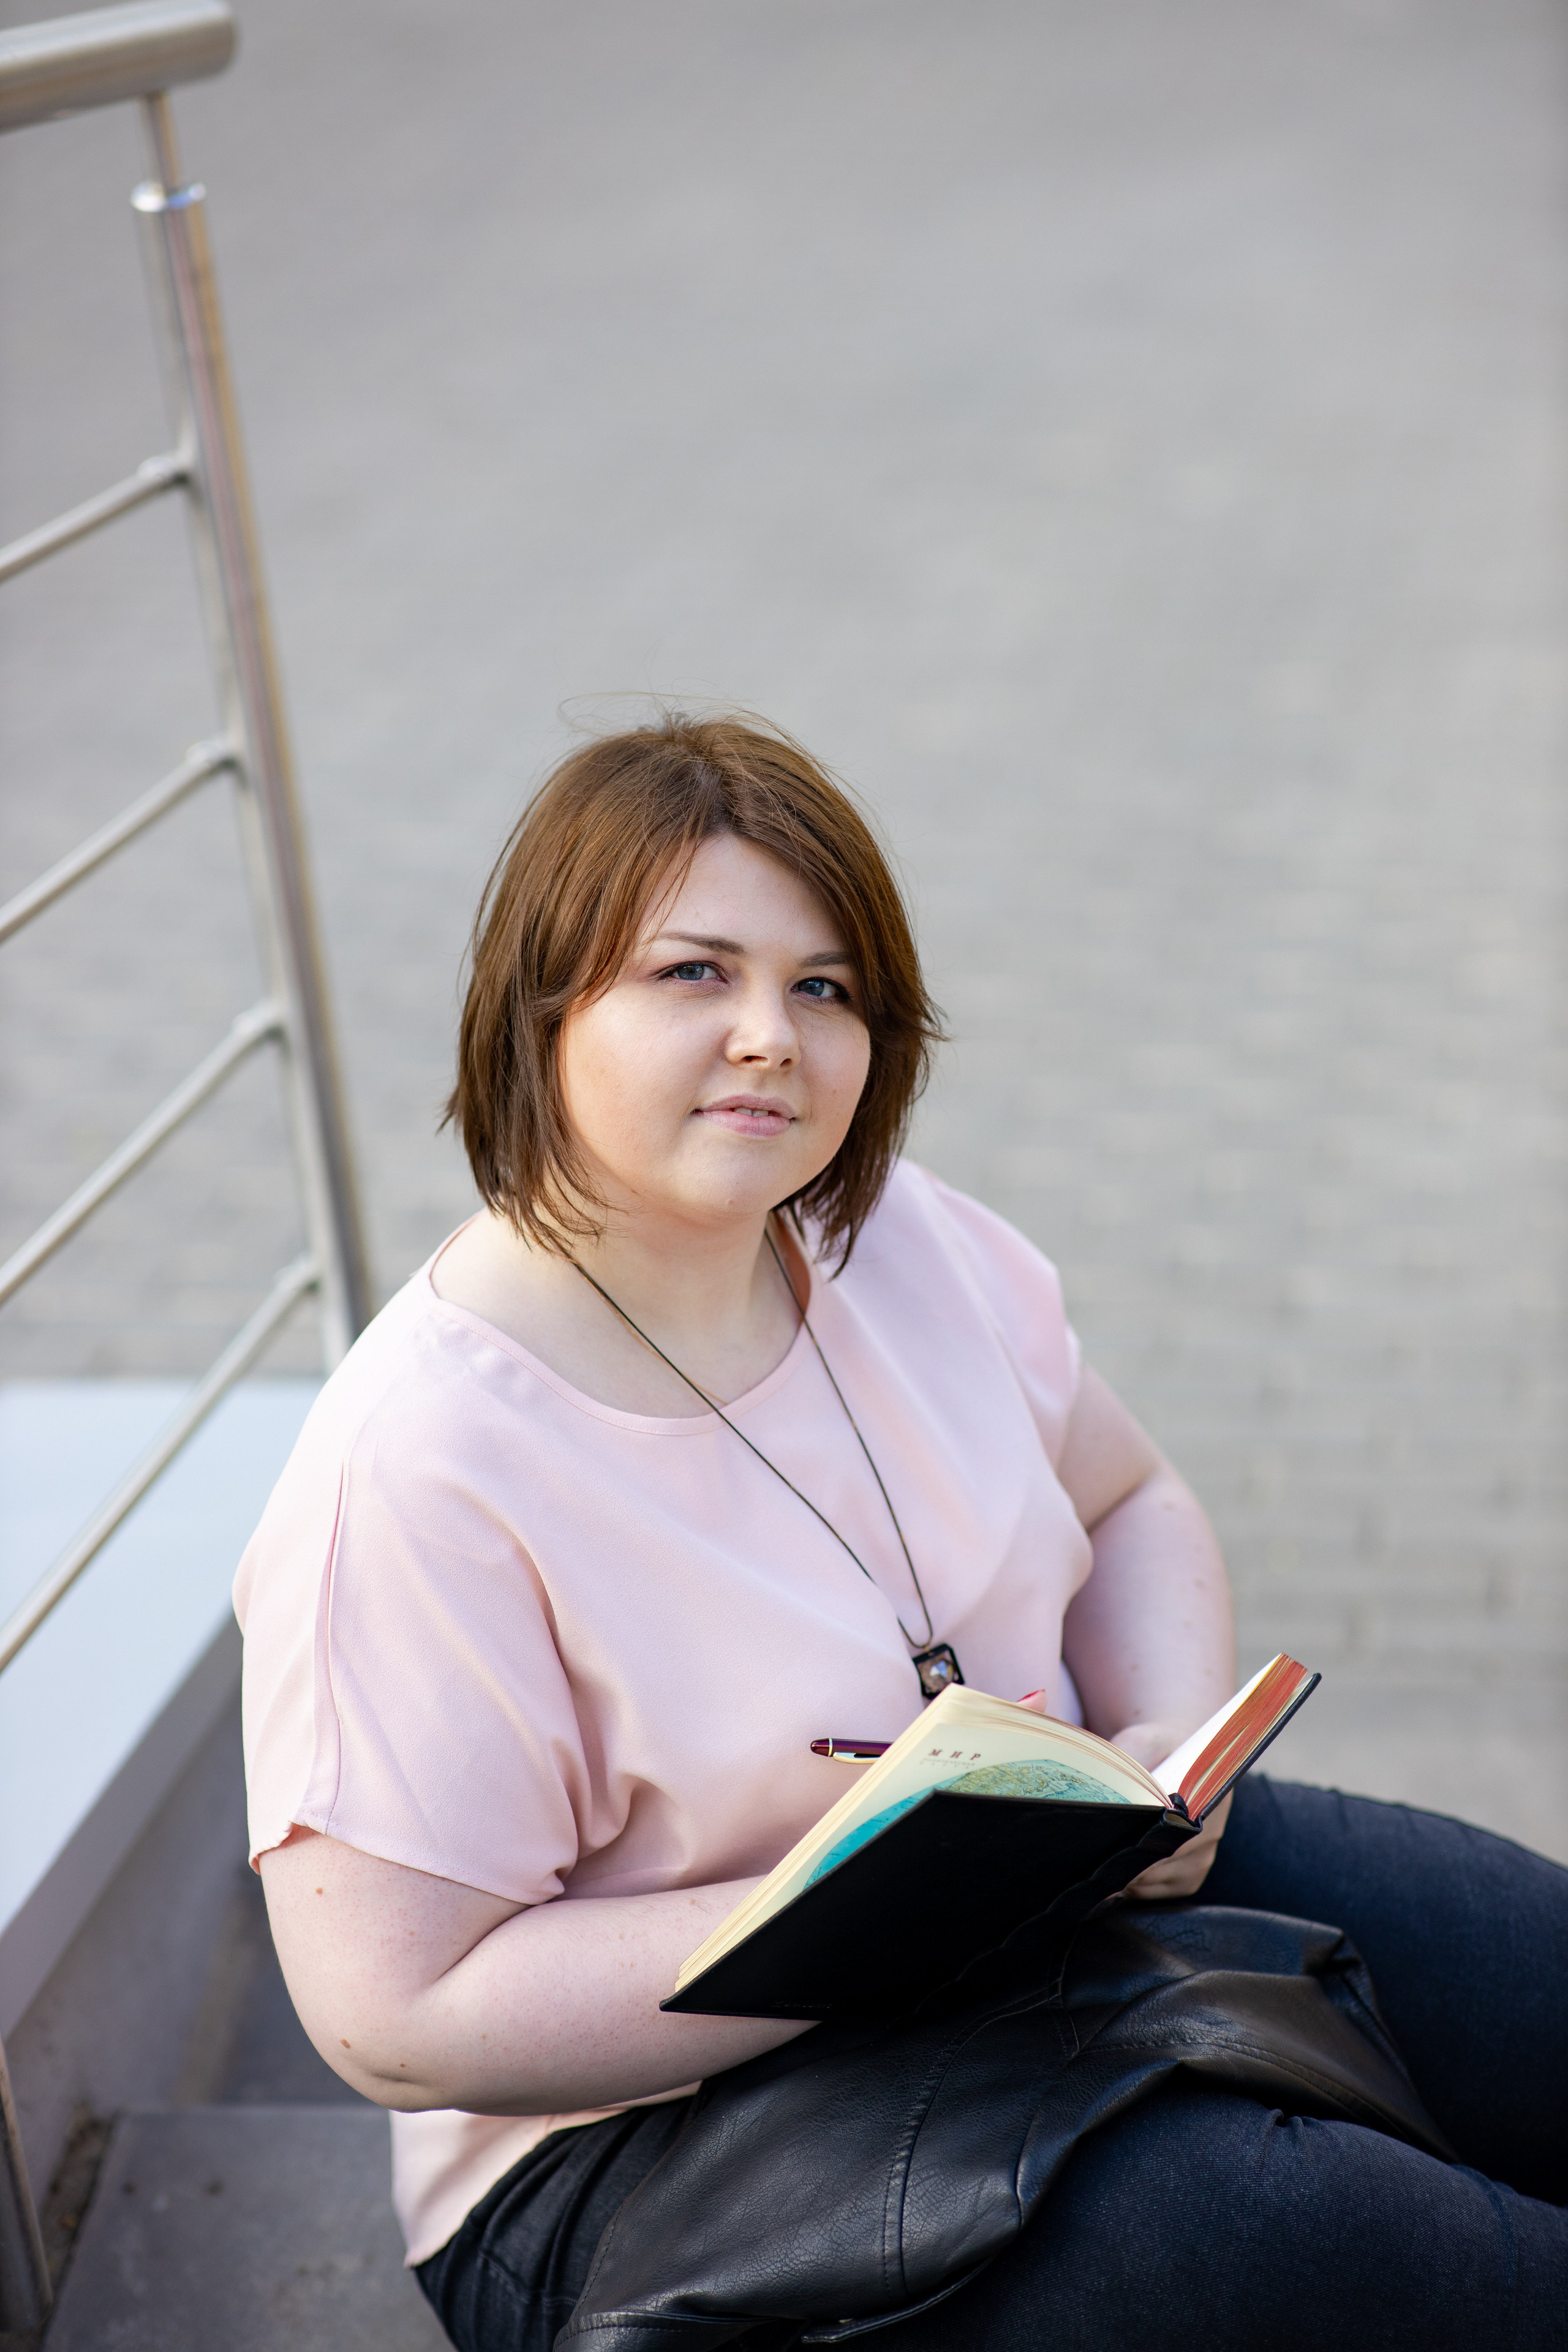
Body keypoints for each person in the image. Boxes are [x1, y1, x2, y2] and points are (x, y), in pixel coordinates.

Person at [236, 713, 1567, 2352]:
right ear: (544, 1007)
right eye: (693, 973)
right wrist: (860, 1922)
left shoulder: (894, 1241)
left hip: (1052, 1893)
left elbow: (1129, 1500)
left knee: (1536, 1979)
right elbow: (396, 2015)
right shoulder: (419, 1466)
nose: (769, 1037)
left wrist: (1164, 1740)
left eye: (825, 987)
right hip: (636, 2155)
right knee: (1303, 2236)